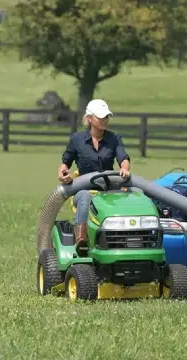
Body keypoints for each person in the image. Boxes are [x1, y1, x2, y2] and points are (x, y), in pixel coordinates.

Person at [58, 99, 131, 255]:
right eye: (101, 117)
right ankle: (81, 240)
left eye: (107, 117)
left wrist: (124, 169)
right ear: (89, 118)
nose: (105, 120)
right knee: (85, 196)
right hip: (83, 190)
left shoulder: (114, 139)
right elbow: (65, 163)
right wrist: (63, 174)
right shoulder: (77, 140)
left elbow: (123, 158)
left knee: (136, 193)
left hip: (109, 190)